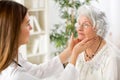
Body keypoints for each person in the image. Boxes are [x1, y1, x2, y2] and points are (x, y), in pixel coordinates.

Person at [0, 1, 93, 80]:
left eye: (85, 24)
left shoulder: (12, 59)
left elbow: (38, 71)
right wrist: (74, 55)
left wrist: (69, 51)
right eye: (27, 24)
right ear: (13, 30)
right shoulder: (17, 76)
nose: (31, 27)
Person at [70, 4, 119, 80]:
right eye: (79, 24)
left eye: (86, 25)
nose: (79, 29)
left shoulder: (111, 57)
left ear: (98, 29)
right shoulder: (79, 50)